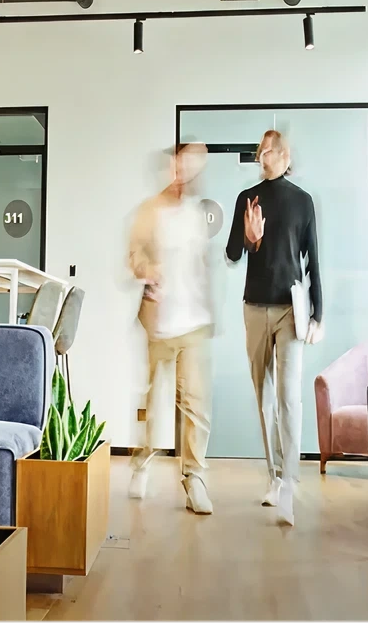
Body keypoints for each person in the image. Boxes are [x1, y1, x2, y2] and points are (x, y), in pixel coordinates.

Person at [225, 130, 323, 526]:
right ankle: (274, 475)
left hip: (290, 310)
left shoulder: (302, 201)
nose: (262, 157)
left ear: (284, 156)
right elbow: (232, 253)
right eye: (259, 152)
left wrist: (319, 314)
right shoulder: (246, 199)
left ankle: (289, 484)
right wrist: (250, 239)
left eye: (269, 151)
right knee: (264, 397)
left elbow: (313, 259)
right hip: (254, 308)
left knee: (288, 397)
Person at [127, 142, 214, 515]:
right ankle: (143, 459)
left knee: (194, 404)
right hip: (159, 322)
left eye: (192, 165)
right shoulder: (150, 212)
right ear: (171, 167)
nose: (184, 172)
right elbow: (134, 255)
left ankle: (194, 478)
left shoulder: (197, 213)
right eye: (180, 164)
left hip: (193, 322)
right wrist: (148, 269)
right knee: (154, 398)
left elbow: (202, 265)